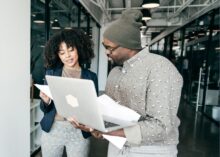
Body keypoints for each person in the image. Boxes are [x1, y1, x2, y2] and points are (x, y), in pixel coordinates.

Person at [75, 9, 183, 157]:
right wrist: (95, 125)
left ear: (128, 45)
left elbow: (161, 126)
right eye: (104, 47)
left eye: (110, 48)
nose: (106, 52)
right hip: (116, 145)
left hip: (150, 150)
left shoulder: (160, 68)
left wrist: (110, 131)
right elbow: (109, 111)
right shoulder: (114, 72)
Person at [39, 29, 98, 157]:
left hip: (79, 132)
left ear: (79, 49)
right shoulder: (51, 73)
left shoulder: (90, 76)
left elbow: (93, 108)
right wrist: (46, 101)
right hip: (53, 130)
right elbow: (45, 109)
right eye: (62, 52)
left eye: (71, 50)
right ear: (58, 55)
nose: (67, 56)